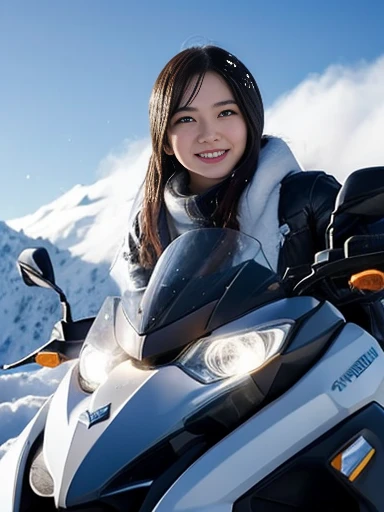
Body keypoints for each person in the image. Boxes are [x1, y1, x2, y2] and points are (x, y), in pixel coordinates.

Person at [110, 45, 341, 291]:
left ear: (250, 120)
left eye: (226, 112)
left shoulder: (309, 198)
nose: (209, 135)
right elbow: (138, 313)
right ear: (165, 139)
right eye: (186, 119)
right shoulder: (150, 226)